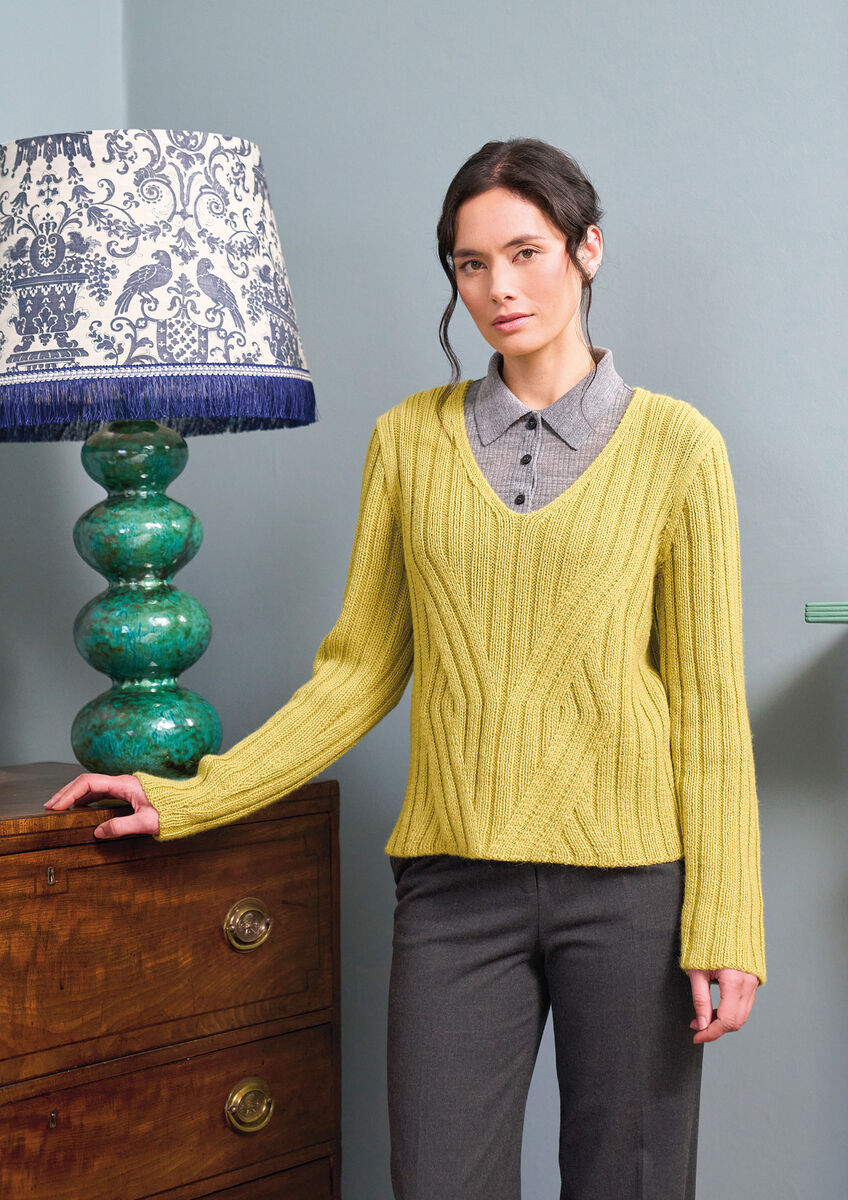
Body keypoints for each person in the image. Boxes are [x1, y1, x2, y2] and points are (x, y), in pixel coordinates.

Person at [44, 137, 766, 1200]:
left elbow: (707, 709)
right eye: (471, 263)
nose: (498, 287)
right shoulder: (407, 443)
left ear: (587, 250)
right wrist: (190, 796)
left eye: (524, 252)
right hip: (454, 887)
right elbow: (357, 673)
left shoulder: (678, 448)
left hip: (632, 891)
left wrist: (726, 920)